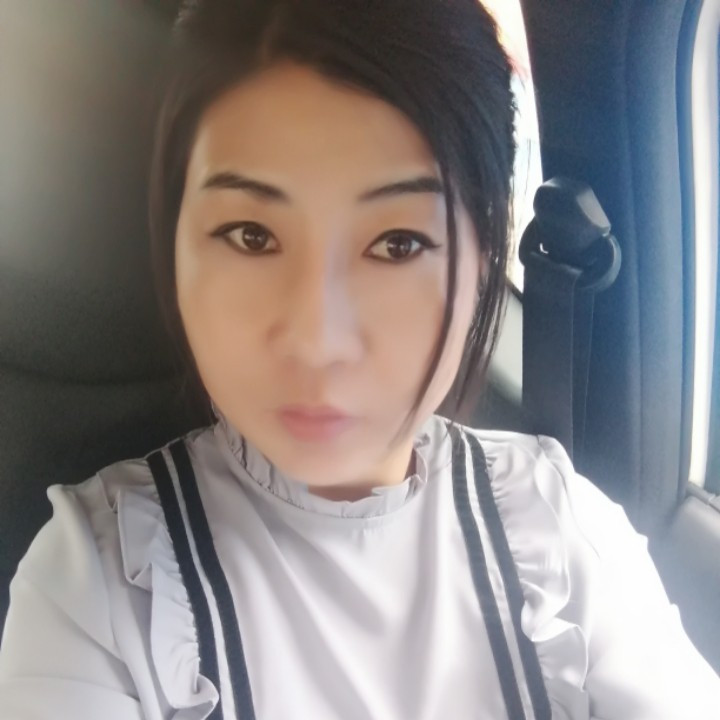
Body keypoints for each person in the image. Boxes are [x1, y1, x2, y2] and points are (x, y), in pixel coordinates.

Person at [1, 1, 719, 718]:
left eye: (398, 244)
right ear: (175, 241)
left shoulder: (560, 528)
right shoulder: (99, 587)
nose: (318, 340)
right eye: (251, 235)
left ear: (484, 258)